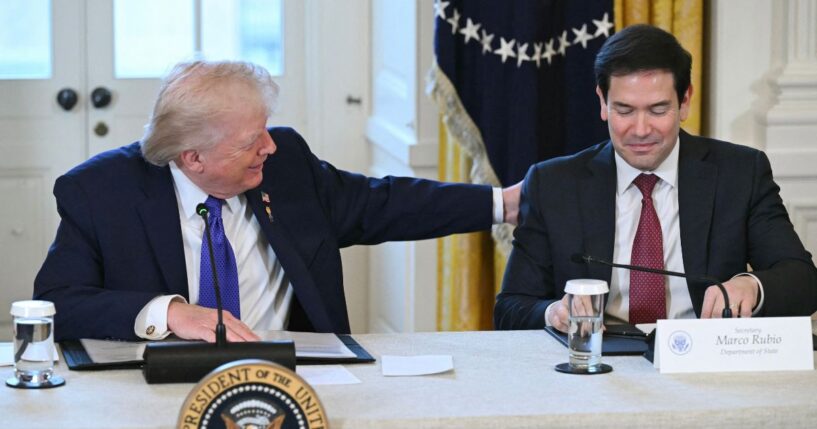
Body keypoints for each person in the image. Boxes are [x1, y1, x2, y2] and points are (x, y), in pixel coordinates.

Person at [34, 60, 521, 342]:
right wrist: (169, 313)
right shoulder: (100, 193)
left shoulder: (285, 167)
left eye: (266, 129)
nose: (269, 146)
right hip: (155, 396)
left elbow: (385, 204)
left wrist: (502, 203)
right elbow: (57, 305)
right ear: (193, 157)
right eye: (251, 140)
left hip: (288, 386)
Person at [495, 25, 817, 332]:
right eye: (624, 110)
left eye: (658, 110)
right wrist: (554, 312)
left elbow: (803, 281)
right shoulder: (553, 184)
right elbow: (510, 308)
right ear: (602, 103)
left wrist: (752, 286)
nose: (641, 129)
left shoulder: (741, 173)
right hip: (597, 366)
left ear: (685, 101)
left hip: (703, 363)